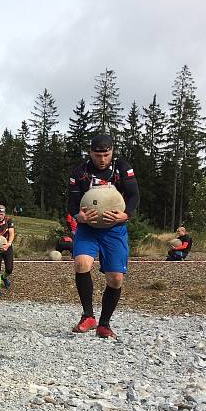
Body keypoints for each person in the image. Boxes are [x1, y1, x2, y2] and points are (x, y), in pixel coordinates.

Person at [66, 133, 139, 339]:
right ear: (91, 153)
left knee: (115, 279)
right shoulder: (80, 172)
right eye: (98, 155)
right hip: (87, 228)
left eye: (106, 154)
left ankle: (104, 324)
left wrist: (126, 215)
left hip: (114, 229)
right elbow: (71, 203)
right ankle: (88, 316)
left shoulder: (122, 168)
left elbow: (134, 195)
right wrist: (77, 216)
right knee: (81, 263)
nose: (102, 159)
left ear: (112, 152)